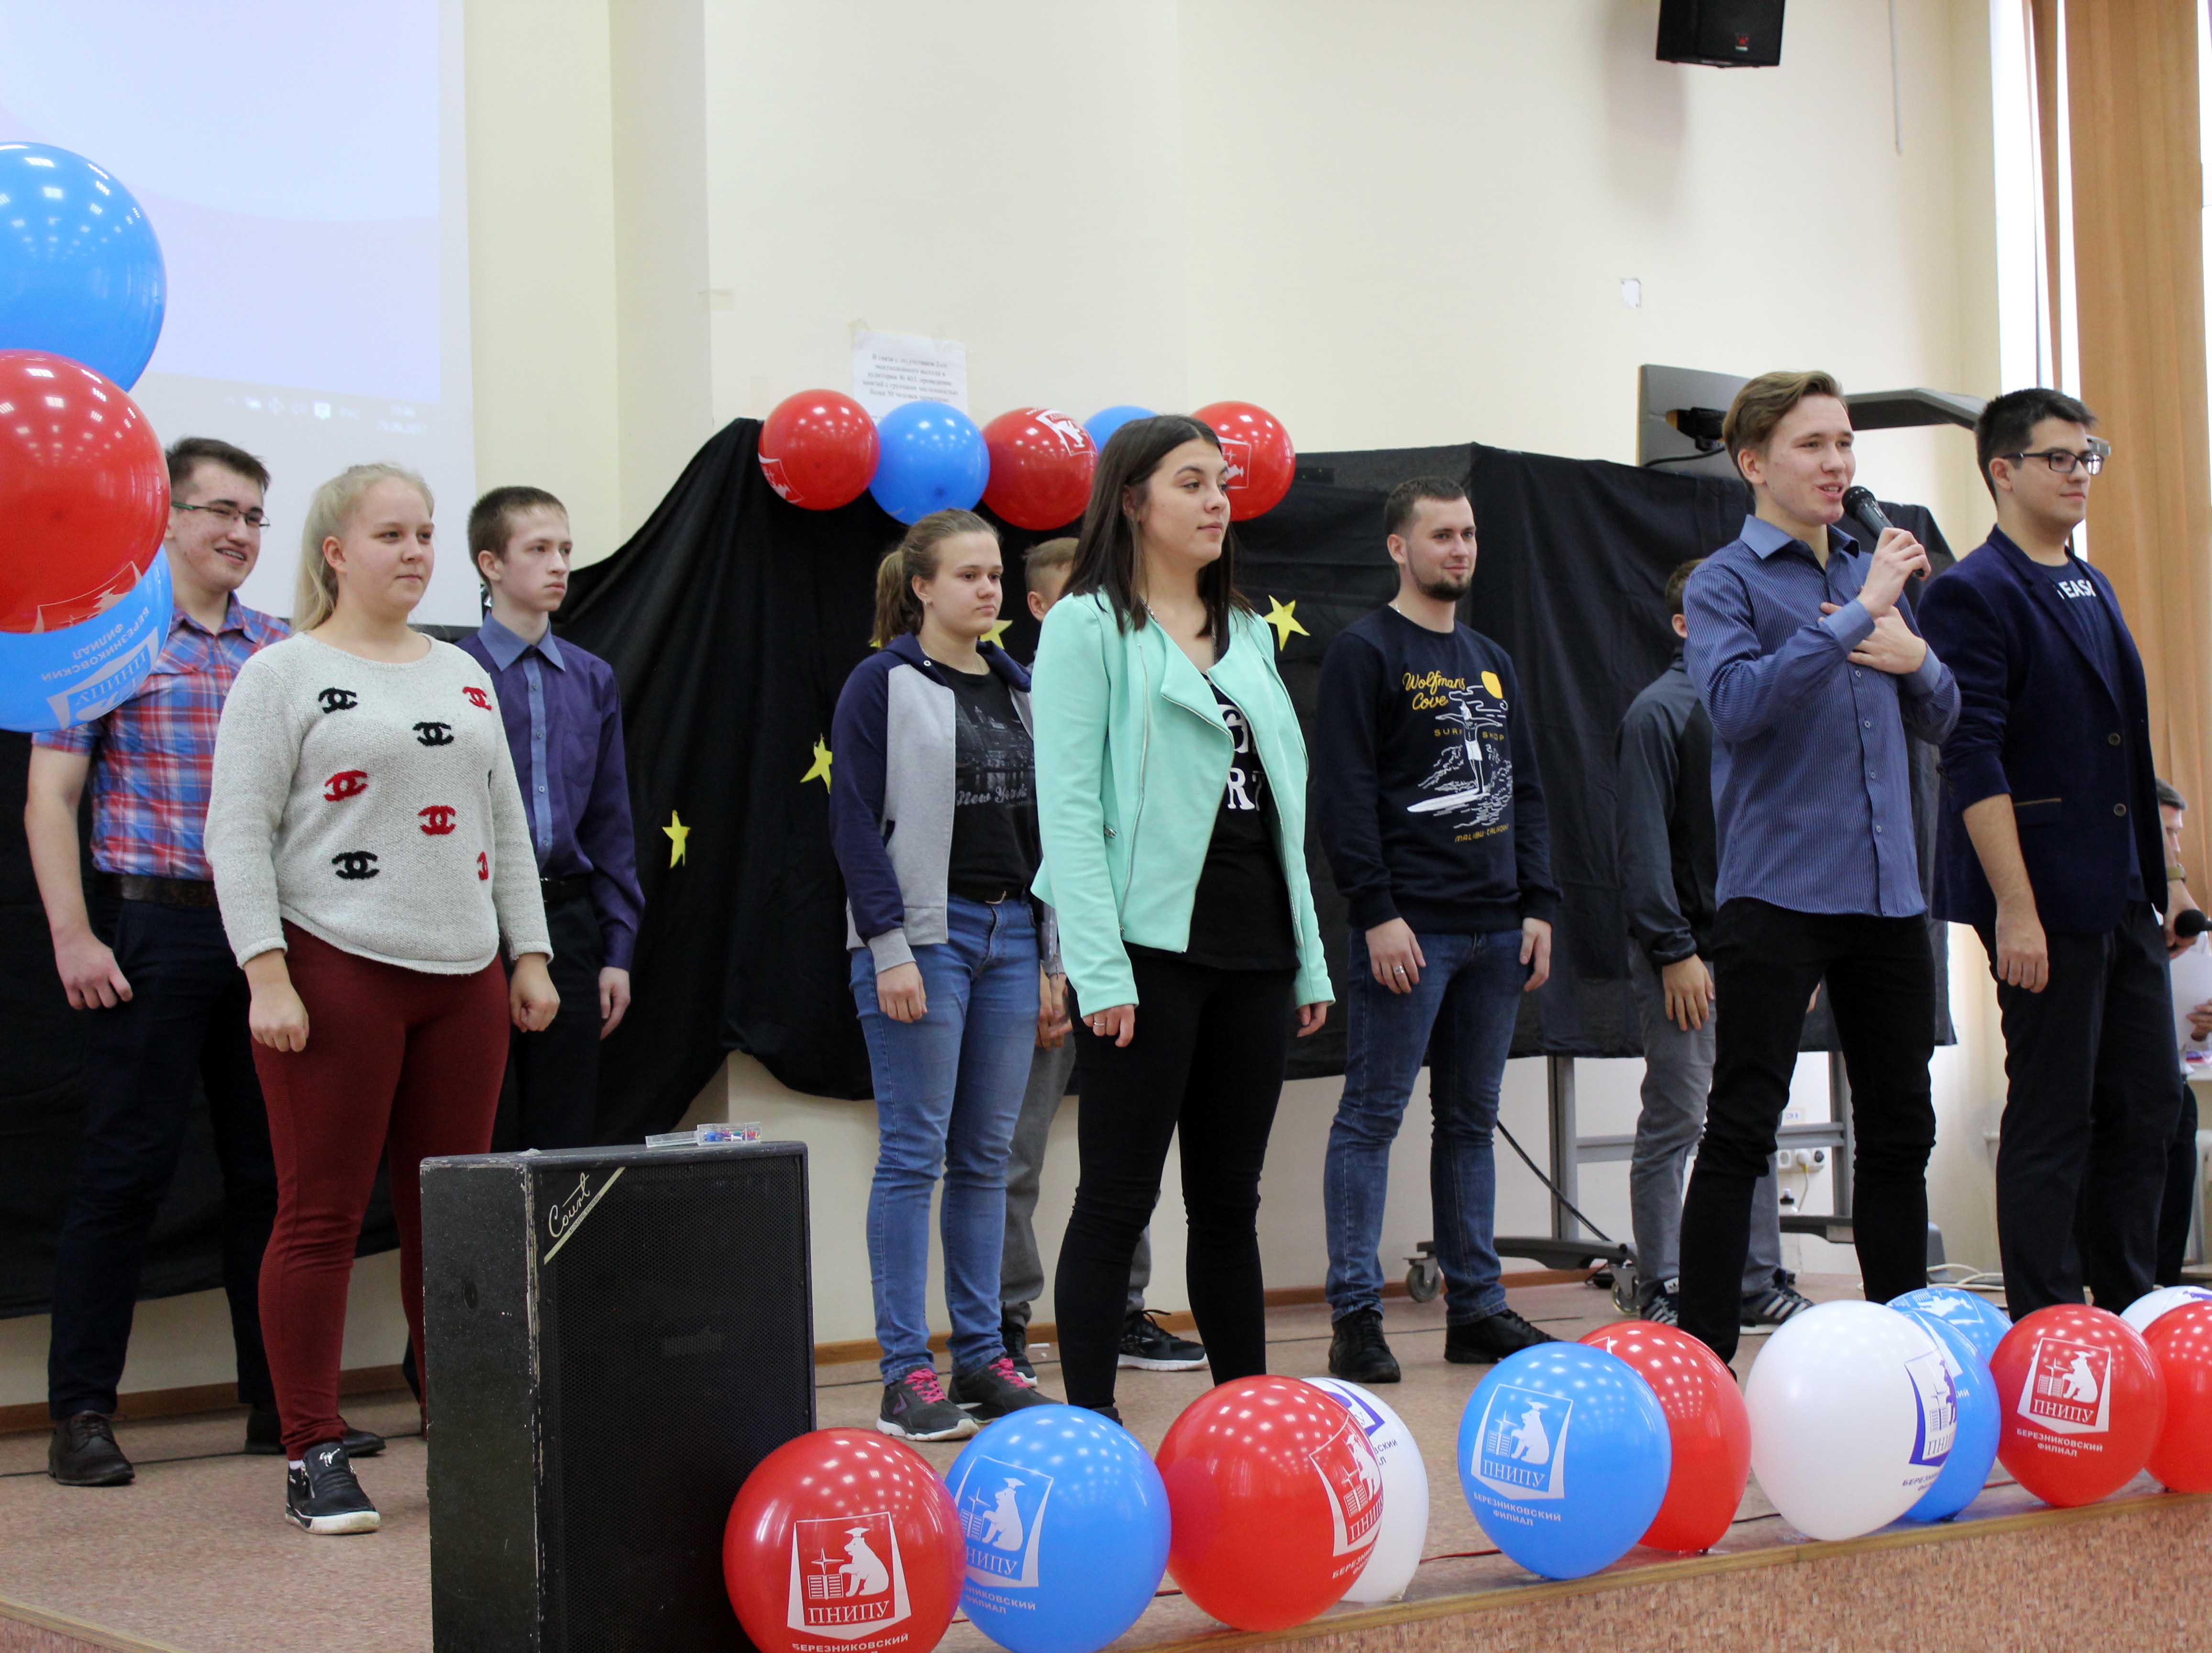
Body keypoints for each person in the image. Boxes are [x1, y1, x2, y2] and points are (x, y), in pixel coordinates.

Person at [207, 463, 557, 1533]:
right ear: (335, 553)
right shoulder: (280, 673)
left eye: (425, 533)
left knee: (449, 1225)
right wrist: (267, 970)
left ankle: (462, 1432)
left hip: (464, 979)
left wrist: (530, 954)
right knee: (318, 1215)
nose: (415, 551)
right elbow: (237, 833)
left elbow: (504, 825)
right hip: (334, 970)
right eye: (391, 534)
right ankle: (312, 1447)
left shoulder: (462, 672)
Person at [29, 438, 380, 1487]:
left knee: (273, 1175)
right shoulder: (107, 640)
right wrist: (74, 935)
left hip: (270, 937)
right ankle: (81, 1413)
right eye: (219, 511)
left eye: (255, 516)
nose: (240, 532)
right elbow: (50, 798)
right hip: (155, 931)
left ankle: (284, 1408)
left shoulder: (283, 650)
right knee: (125, 1171)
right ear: (165, 519)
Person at [1031, 414, 1333, 1421]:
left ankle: (1241, 1423)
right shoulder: (1086, 626)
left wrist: (1307, 959)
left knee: (1229, 1203)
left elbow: (1285, 804)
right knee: (1116, 1198)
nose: (1215, 503)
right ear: (1132, 501)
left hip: (1256, 949)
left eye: (1222, 484)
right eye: (1190, 483)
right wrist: (1097, 969)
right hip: (1146, 954)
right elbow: (1069, 814)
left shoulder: (1245, 630)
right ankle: (1093, 1431)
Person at [1677, 371, 1959, 1364]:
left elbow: (1943, 717)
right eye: (1811, 445)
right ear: (1753, 463)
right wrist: (1852, 617)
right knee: (1741, 1124)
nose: (1836, 463)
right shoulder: (1723, 582)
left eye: (1843, 443)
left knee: (1900, 1128)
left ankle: (1904, 1352)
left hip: (1887, 895)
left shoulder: (1869, 570)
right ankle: (1704, 1360)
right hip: (1778, 892)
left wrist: (1916, 659)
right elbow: (1737, 707)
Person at [1916, 389, 2188, 1319]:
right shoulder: (1969, 592)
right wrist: (2014, 909)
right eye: (2057, 459)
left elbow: (2124, 751)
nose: (2078, 475)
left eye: (2086, 457)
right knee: (2051, 1113)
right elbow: (1970, 757)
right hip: (2040, 896)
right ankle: (2047, 1320)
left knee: (2147, 1105)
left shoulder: (2089, 581)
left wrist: (2166, 884)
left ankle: (2130, 1304)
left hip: (2120, 890)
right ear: (2001, 471)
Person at [1314, 475, 1560, 1384]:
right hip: (1409, 931)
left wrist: (1538, 903)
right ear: (1399, 547)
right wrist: (1375, 911)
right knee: (1371, 1117)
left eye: (1467, 534)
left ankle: (1477, 1309)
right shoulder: (1364, 651)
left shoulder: (1490, 658)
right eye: (1441, 535)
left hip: (1496, 930)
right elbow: (1342, 794)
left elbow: (1525, 789)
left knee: (1469, 1122)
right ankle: (1354, 1316)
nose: (1459, 549)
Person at [831, 509, 1059, 1442]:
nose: (987, 589)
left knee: (986, 1159)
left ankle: (980, 1357)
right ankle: (902, 1376)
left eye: (994, 574)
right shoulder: (881, 683)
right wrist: (888, 947)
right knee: (912, 1156)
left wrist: (1051, 959)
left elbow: (1049, 834)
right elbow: (853, 821)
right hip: (927, 938)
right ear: (921, 587)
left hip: (1013, 939)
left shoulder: (1021, 688)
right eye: (967, 575)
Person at [997, 536, 1204, 1381]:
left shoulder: (1144, 693)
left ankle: (1127, 1311)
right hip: (1038, 964)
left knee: (1130, 1152)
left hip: (1130, 961)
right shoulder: (1009, 705)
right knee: (1014, 1155)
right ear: (1043, 609)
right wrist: (1054, 966)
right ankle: (1005, 1325)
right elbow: (1054, 846)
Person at [1615, 559, 1811, 1330]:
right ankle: (1663, 1280)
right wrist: (1674, 952)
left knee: (1752, 1115)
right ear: (1684, 625)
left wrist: (1798, 945)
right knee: (1678, 1117)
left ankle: (1755, 1279)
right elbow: (1642, 851)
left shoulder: (1758, 710)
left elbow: (1782, 833)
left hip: (1758, 951)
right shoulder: (1657, 715)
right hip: (1687, 957)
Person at [457, 486, 645, 1150]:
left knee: (565, 1131)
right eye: (538, 549)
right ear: (491, 564)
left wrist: (617, 950)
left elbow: (610, 822)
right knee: (477, 1124)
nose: (560, 565)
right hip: (473, 920)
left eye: (564, 549)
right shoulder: (452, 672)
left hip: (567, 919)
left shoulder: (591, 679)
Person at [2158, 781, 2209, 1286]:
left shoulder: (2191, 925)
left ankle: (2165, 1291)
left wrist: (2204, 1031)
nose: (2176, 846)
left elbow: (2199, 1042)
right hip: (2111, 1095)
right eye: (2166, 832)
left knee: (2166, 1246)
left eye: (2178, 833)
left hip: (2173, 1086)